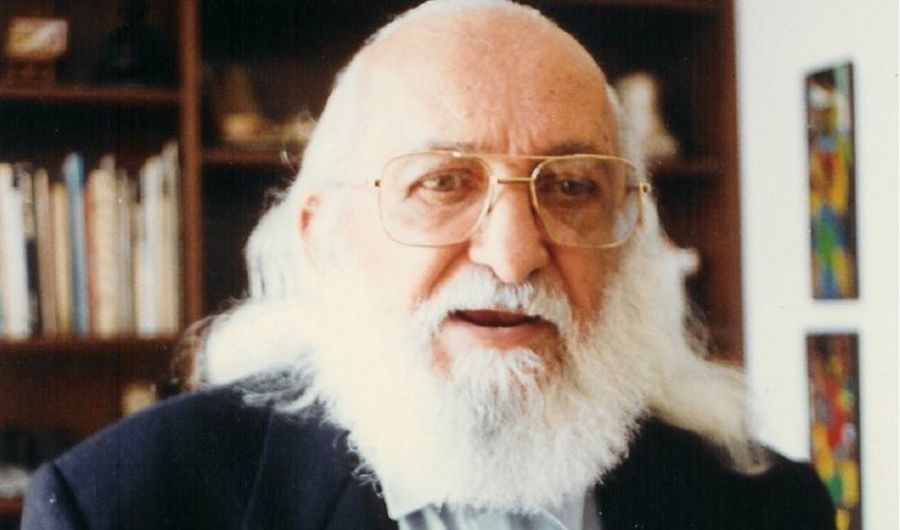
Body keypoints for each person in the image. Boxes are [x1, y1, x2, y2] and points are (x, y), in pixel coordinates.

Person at [22, 1, 835, 528]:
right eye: (442, 183)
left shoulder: (766, 509)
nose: (514, 255)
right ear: (324, 238)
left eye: (572, 187)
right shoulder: (123, 507)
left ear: (625, 237)